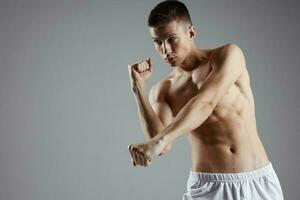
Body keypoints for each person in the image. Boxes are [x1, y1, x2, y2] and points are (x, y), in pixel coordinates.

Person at [127, 1, 284, 199]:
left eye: (171, 39)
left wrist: (158, 142)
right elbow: (161, 146)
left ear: (191, 33)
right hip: (209, 187)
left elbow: (206, 102)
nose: (165, 49)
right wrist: (138, 88)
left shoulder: (228, 55)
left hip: (257, 181)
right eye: (157, 42)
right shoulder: (163, 91)